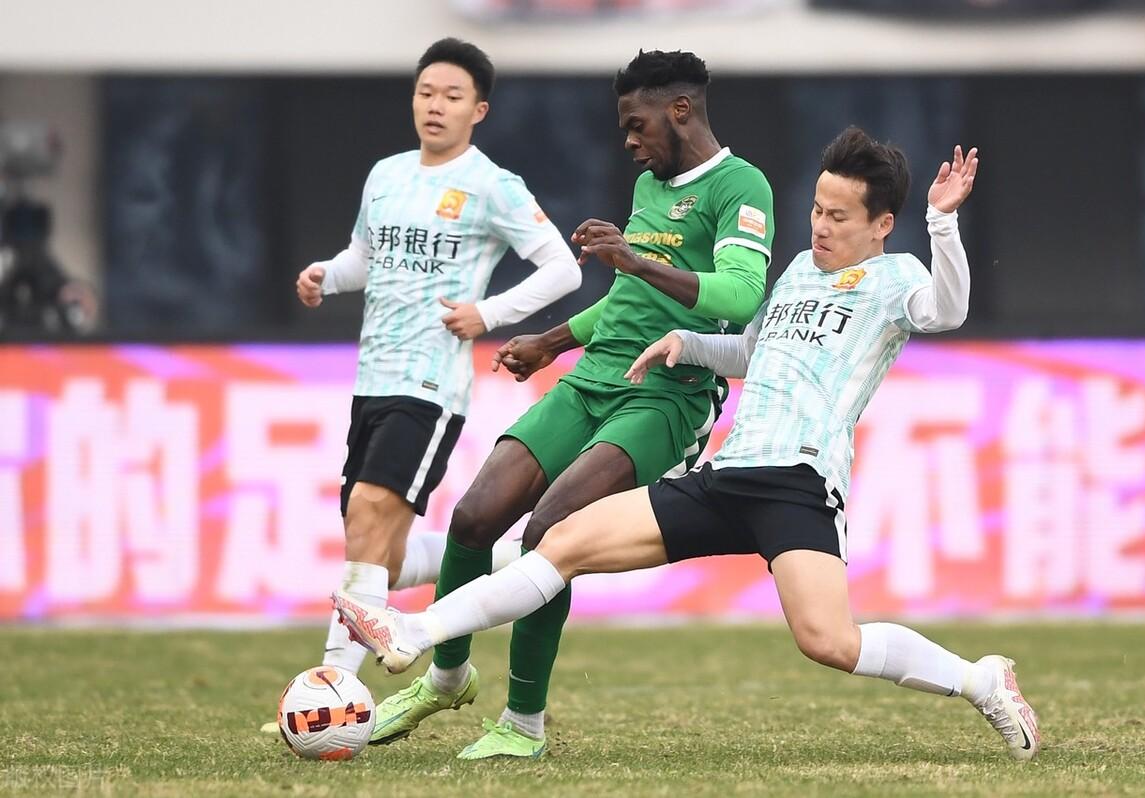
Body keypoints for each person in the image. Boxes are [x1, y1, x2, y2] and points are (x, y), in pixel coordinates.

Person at [334, 127, 1043, 762]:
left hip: (796, 484)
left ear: (882, 223)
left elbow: (948, 310)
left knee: (829, 642)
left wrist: (942, 224)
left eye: (838, 216)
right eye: (817, 209)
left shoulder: (897, 278)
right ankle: (413, 632)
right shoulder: (798, 270)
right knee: (562, 541)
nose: (820, 225)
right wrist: (688, 342)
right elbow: (753, 352)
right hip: (725, 476)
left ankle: (981, 680)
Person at [359, 49, 775, 759]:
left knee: (550, 532)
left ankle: (523, 723)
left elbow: (740, 296)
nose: (630, 141)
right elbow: (629, 299)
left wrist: (634, 259)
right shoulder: (650, 187)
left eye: (638, 124)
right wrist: (552, 341)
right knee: (475, 514)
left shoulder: (741, 186)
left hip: (665, 394)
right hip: (592, 380)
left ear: (680, 110)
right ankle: (447, 678)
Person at [269, 37, 582, 731]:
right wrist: (325, 276)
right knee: (371, 543)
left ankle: (333, 695)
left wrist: (488, 314)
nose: (435, 106)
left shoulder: (491, 184)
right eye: (426, 92)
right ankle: (502, 560)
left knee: (369, 515)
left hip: (430, 383)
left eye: (452, 96)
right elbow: (363, 257)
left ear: (479, 110)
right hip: (372, 378)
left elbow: (563, 268)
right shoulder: (385, 175)